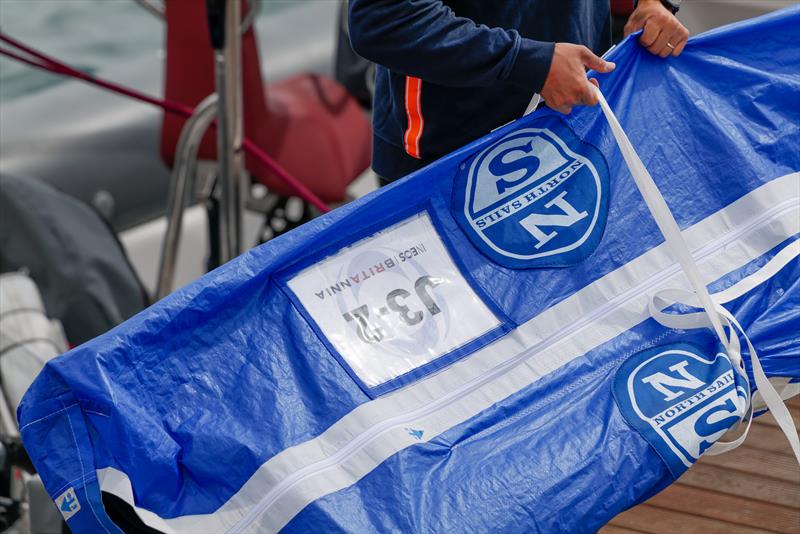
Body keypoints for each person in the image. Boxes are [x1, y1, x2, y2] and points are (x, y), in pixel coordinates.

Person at [348, 0, 689, 185]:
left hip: (575, 129)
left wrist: (648, 3)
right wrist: (531, 63)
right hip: (453, 160)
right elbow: (384, 20)